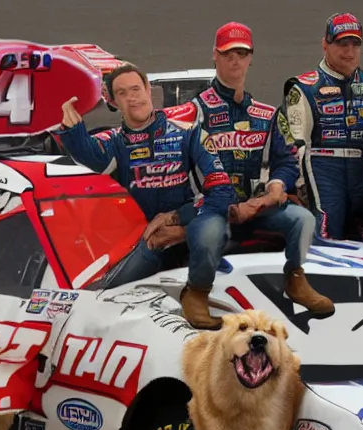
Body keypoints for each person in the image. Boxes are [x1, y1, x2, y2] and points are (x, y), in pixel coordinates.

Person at [182, 21, 335, 329]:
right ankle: (196, 293)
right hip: (213, 207)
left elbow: (287, 160)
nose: (234, 61)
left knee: (303, 219)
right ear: (215, 55)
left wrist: (277, 187)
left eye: (241, 53)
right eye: (227, 54)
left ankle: (295, 278)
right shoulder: (194, 111)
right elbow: (185, 165)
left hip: (257, 207)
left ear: (251, 57)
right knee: (210, 232)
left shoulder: (266, 114)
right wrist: (224, 205)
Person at [52, 62, 236, 289]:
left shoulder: (188, 133)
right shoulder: (115, 144)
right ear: (113, 102)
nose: (131, 97)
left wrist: (176, 220)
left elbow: (223, 193)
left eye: (136, 89)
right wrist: (72, 130)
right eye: (122, 93)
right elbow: (90, 156)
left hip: (191, 235)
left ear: (148, 89)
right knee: (100, 294)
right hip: (142, 243)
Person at [282, 12, 363, 241]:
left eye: (355, 44)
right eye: (342, 43)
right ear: (325, 45)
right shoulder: (303, 87)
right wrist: (297, 187)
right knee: (324, 234)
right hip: (323, 169)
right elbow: (295, 146)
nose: (350, 51)